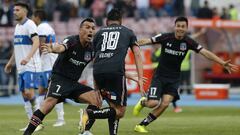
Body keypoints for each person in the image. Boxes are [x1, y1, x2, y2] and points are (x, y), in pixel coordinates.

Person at [133, 16, 238, 133]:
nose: (180, 29)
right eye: (178, 26)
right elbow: (146, 41)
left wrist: (222, 63)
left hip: (174, 79)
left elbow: (205, 52)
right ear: (175, 27)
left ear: (186, 28)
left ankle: (141, 125)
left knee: (165, 104)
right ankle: (143, 102)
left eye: (183, 27)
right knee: (153, 103)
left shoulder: (188, 42)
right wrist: (131, 44)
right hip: (160, 76)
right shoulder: (165, 37)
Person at [22, 18, 103, 135]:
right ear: (80, 30)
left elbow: (98, 67)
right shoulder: (72, 40)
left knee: (97, 100)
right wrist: (53, 49)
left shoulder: (92, 49)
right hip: (59, 79)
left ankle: (85, 131)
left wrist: (98, 88)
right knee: (48, 106)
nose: (90, 30)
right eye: (87, 27)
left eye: (93, 28)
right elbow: (61, 47)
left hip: (73, 84)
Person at [78, 8, 144, 135]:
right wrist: (140, 78)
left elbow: (94, 57)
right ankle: (88, 114)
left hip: (98, 71)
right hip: (115, 72)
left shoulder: (98, 33)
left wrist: (96, 84)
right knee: (120, 111)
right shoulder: (128, 32)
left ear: (107, 21)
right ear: (121, 21)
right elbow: (137, 54)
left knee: (100, 102)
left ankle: (85, 131)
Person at [4, 2, 43, 131]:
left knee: (29, 92)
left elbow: (36, 42)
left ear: (25, 11)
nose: (14, 12)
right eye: (14, 10)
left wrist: (28, 57)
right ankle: (31, 123)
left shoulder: (30, 24)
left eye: (17, 10)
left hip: (31, 65)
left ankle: (38, 122)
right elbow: (17, 48)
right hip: (21, 67)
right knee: (24, 95)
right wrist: (10, 62)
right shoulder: (17, 27)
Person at [32, 9, 65, 127]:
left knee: (54, 92)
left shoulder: (41, 27)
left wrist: (34, 61)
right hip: (46, 63)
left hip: (48, 64)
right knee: (41, 91)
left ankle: (61, 118)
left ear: (37, 17)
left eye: (33, 17)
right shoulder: (47, 27)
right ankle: (36, 120)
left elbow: (41, 45)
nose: (32, 19)